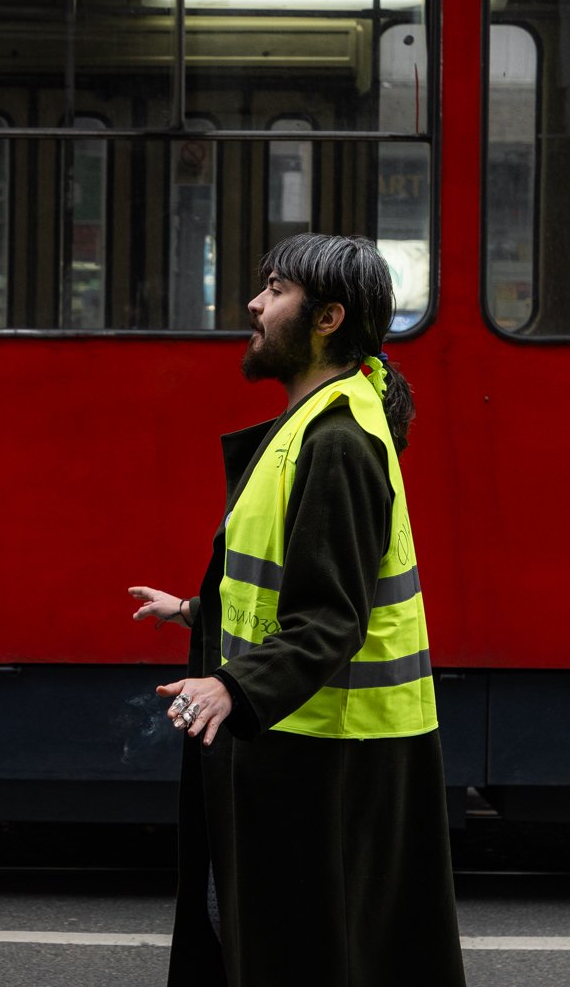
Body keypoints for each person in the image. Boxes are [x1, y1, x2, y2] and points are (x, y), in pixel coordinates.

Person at [129, 233, 464, 987]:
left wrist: (233, 687)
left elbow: (332, 617)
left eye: (275, 289)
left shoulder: (337, 440)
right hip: (298, 734)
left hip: (326, 750)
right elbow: (288, 580)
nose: (254, 303)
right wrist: (197, 611)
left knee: (300, 954)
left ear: (327, 318)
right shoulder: (315, 421)